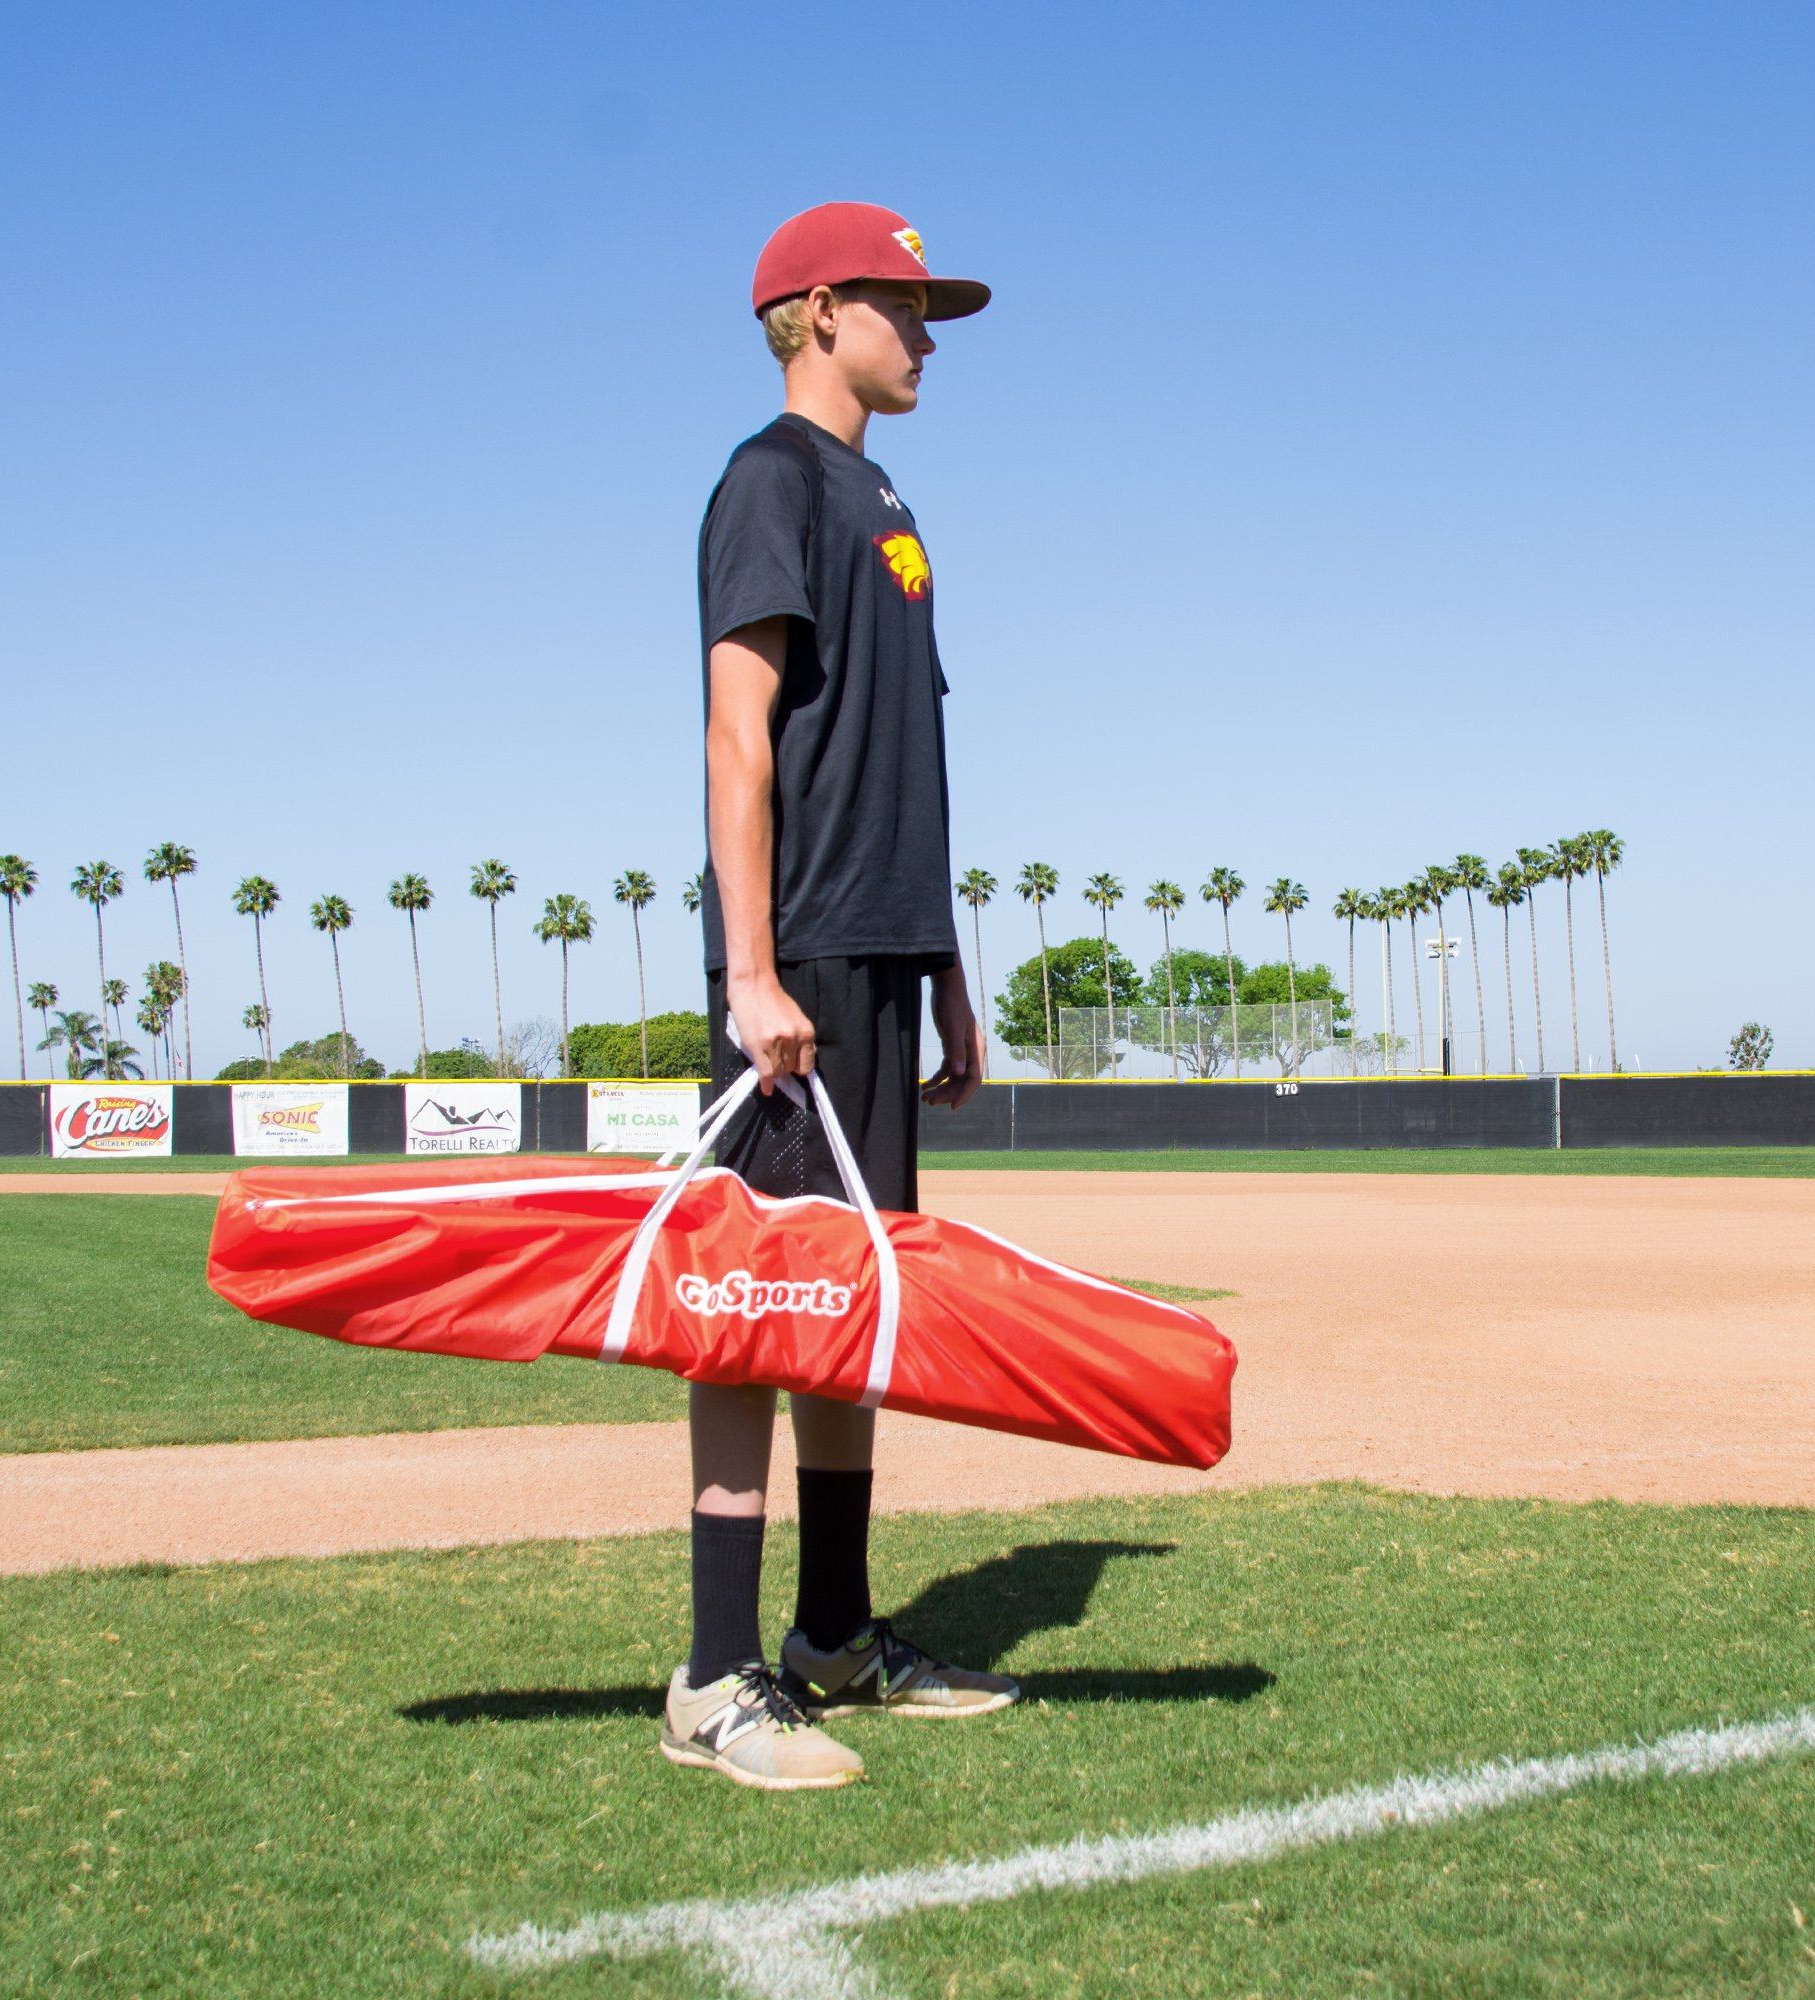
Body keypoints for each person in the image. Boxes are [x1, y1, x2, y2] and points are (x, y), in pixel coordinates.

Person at [660, 202, 1019, 1791]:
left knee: (849, 1307)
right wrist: (751, 968)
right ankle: (714, 1677)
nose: (927, 332)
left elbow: (910, 758)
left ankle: (834, 1634)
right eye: (904, 304)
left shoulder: (890, 501)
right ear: (817, 312)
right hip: (795, 955)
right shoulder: (770, 481)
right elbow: (741, 737)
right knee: (750, 1309)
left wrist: (945, 970)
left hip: (882, 953)